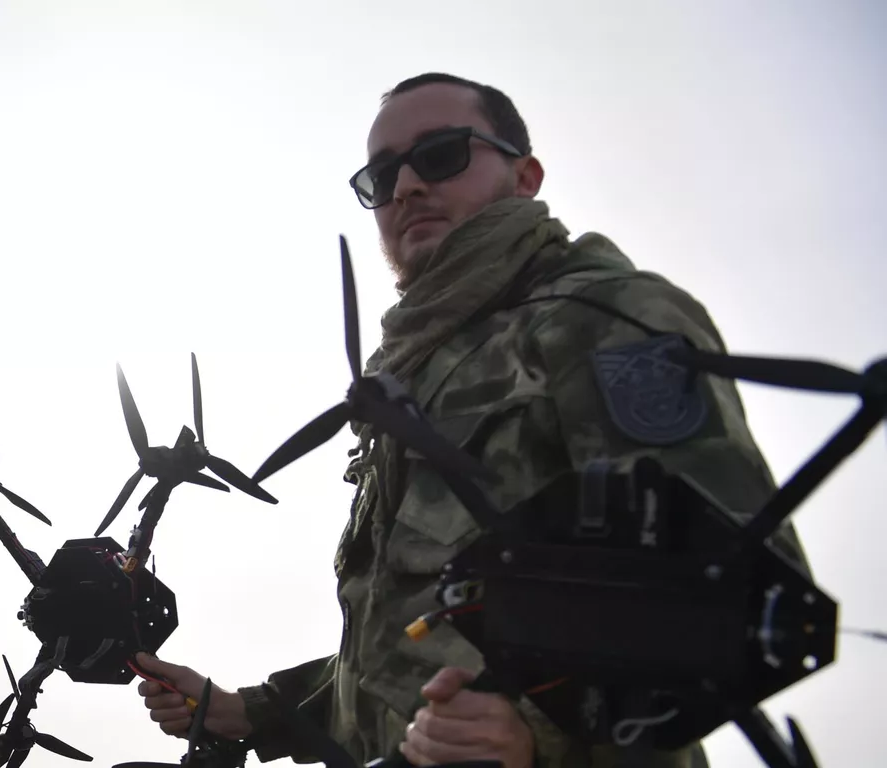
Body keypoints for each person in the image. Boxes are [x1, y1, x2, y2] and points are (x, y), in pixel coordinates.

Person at [131, 73, 811, 767]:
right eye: (382, 174)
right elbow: (413, 650)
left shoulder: (600, 315)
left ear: (526, 175)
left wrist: (533, 738)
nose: (406, 188)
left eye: (441, 154)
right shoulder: (412, 372)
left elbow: (741, 590)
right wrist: (249, 709)